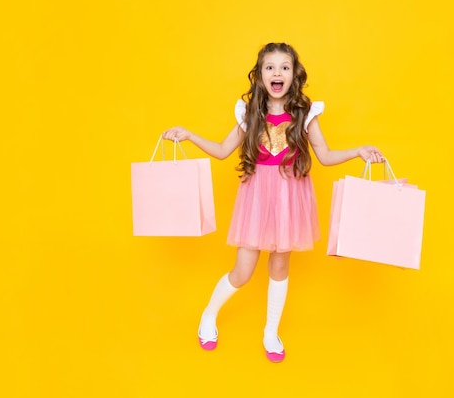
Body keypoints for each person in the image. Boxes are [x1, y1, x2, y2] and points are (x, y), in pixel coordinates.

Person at [162, 42, 384, 363]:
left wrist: (358, 151)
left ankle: (270, 331)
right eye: (270, 67)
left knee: (279, 267)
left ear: (294, 75)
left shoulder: (305, 113)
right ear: (260, 75)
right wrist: (190, 135)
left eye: (284, 67)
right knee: (243, 271)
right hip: (256, 196)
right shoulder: (249, 112)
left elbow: (325, 155)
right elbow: (224, 150)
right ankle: (209, 315)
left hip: (290, 197)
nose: (277, 72)